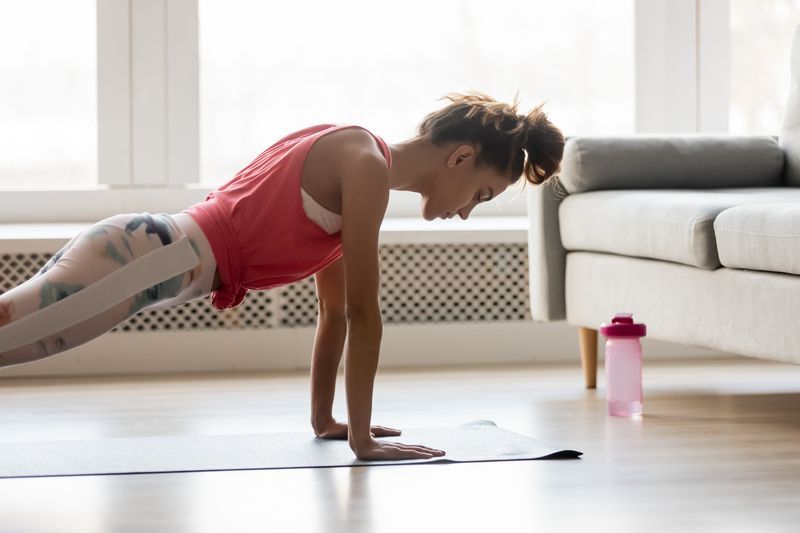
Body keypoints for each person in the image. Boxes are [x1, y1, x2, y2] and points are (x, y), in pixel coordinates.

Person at [0, 90, 565, 461]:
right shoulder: (364, 165)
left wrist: (328, 421)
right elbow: (369, 314)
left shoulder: (361, 165)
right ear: (461, 157)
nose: (468, 210)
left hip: (143, 254)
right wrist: (364, 443)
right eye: (482, 194)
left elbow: (337, 312)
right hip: (147, 258)